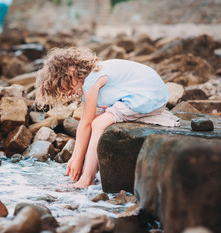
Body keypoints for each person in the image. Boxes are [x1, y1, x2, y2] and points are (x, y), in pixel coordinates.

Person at [35, 47, 179, 188]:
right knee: (98, 117)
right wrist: (76, 157)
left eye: (68, 88)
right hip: (154, 94)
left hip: (148, 97)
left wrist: (77, 158)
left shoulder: (91, 81)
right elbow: (87, 121)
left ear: (72, 72)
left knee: (98, 123)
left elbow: (86, 123)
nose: (71, 93)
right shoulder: (96, 72)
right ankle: (90, 169)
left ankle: (87, 179)